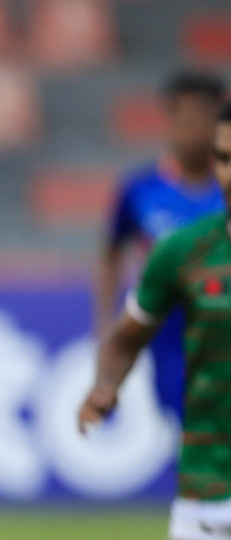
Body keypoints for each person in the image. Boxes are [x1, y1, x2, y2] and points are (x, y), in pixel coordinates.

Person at [80, 100, 231, 540]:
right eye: (225, 159)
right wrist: (106, 385)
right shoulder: (186, 250)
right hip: (208, 480)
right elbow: (127, 333)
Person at [96, 71, 226, 422]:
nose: (193, 130)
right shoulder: (140, 191)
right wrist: (106, 320)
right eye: (184, 119)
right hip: (170, 334)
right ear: (168, 122)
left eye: (203, 119)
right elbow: (111, 253)